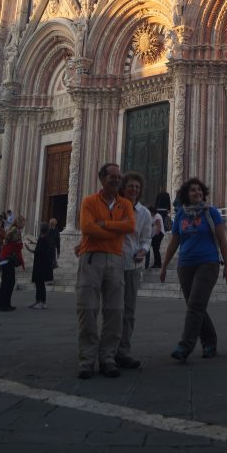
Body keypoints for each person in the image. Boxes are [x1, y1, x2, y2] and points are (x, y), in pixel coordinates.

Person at [160, 177, 227, 362]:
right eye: (193, 190)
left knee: (195, 306)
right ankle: (210, 342)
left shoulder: (212, 213)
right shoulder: (181, 216)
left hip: (208, 263)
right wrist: (164, 266)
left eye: (199, 190)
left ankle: (185, 346)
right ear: (186, 194)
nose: (197, 193)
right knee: (195, 306)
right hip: (185, 265)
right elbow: (174, 242)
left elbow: (222, 240)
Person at [74, 163, 135, 380]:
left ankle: (108, 358)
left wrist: (105, 226)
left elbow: (130, 227)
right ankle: (87, 359)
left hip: (116, 260)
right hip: (91, 258)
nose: (117, 179)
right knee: (87, 309)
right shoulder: (89, 201)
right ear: (102, 179)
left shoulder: (125, 204)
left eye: (119, 176)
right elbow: (87, 228)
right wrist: (115, 231)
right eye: (113, 176)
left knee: (115, 311)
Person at [115, 172, 152, 370]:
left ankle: (123, 351)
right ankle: (107, 350)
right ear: (123, 187)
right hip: (112, 264)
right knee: (112, 309)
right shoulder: (115, 207)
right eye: (130, 186)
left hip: (132, 266)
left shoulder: (144, 213)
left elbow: (146, 239)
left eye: (137, 187)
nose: (134, 189)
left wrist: (144, 251)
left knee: (128, 311)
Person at [0, 216, 25, 312]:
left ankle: (5, 304)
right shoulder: (15, 230)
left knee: (8, 282)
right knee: (7, 282)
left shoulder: (15, 230)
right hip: (7, 258)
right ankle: (3, 305)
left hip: (6, 258)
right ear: (19, 223)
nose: (24, 224)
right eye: (23, 222)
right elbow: (10, 240)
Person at [25, 223, 54, 309]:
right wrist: (33, 242)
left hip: (41, 264)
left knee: (40, 284)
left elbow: (40, 251)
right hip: (42, 264)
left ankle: (42, 302)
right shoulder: (45, 238)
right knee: (39, 283)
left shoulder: (44, 239)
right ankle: (38, 301)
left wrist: (29, 249)